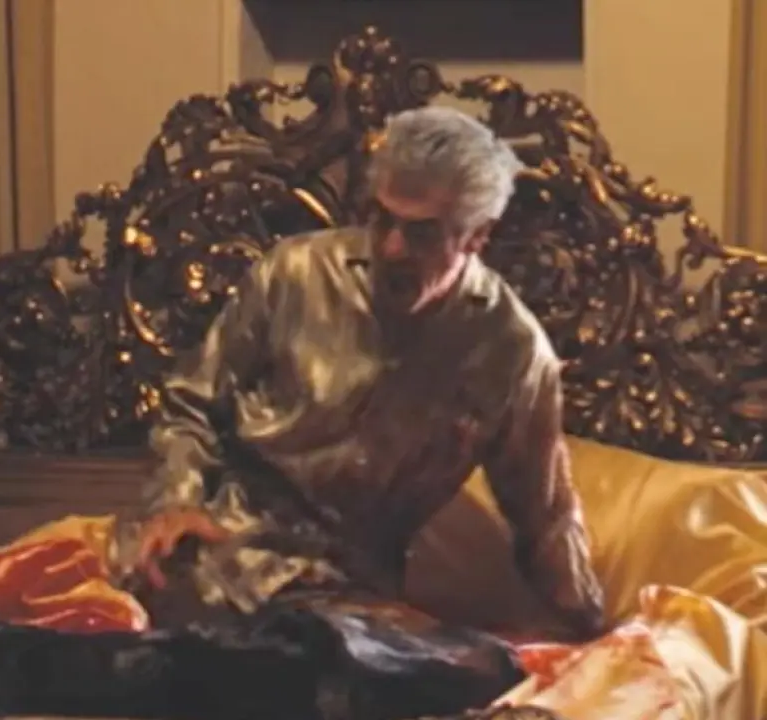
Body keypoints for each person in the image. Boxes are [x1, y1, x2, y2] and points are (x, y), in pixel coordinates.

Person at [129, 105, 606, 642]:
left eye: (422, 233)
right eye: (382, 218)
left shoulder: (510, 350)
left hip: (347, 595)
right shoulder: (293, 273)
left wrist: (594, 630)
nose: (392, 248)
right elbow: (191, 403)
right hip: (215, 551)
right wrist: (176, 501)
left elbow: (544, 516)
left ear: (478, 236)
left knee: (442, 663)